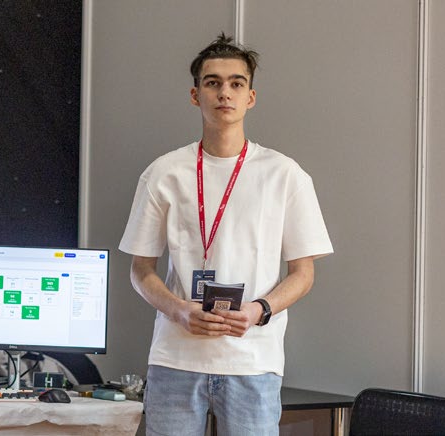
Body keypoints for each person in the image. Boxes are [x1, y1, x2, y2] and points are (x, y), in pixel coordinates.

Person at [118, 33, 333, 436]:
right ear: (195, 95)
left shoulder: (285, 175)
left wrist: (259, 310)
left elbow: (303, 273)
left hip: (252, 360)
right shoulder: (163, 172)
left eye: (236, 83)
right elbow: (140, 270)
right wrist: (180, 311)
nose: (224, 93)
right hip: (175, 358)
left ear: (251, 97)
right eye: (213, 82)